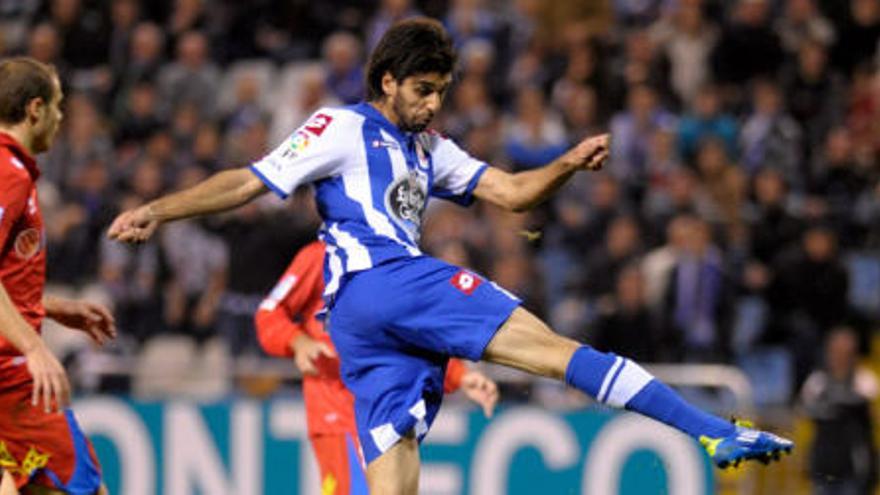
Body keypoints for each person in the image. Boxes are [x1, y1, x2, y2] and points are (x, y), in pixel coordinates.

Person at [109, 18, 793, 493]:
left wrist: (565, 163)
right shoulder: (341, 126)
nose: (433, 103)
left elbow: (514, 193)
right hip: (387, 280)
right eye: (421, 89)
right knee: (553, 350)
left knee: (394, 467)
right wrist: (159, 208)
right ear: (384, 82)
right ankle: (709, 430)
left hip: (358, 327)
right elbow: (250, 181)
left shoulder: (431, 147)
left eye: (440, 90)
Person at [255, 240, 498, 494]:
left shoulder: (395, 262)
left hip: (385, 415)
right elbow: (269, 312)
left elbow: (407, 338)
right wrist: (296, 341)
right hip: (337, 413)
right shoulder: (321, 257)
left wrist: (459, 376)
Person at [0, 57, 115, 495]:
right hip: (13, 377)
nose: (61, 117)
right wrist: (34, 347)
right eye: (58, 105)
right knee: (82, 488)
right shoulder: (7, 174)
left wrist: (46, 307)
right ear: (35, 110)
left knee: (26, 485)